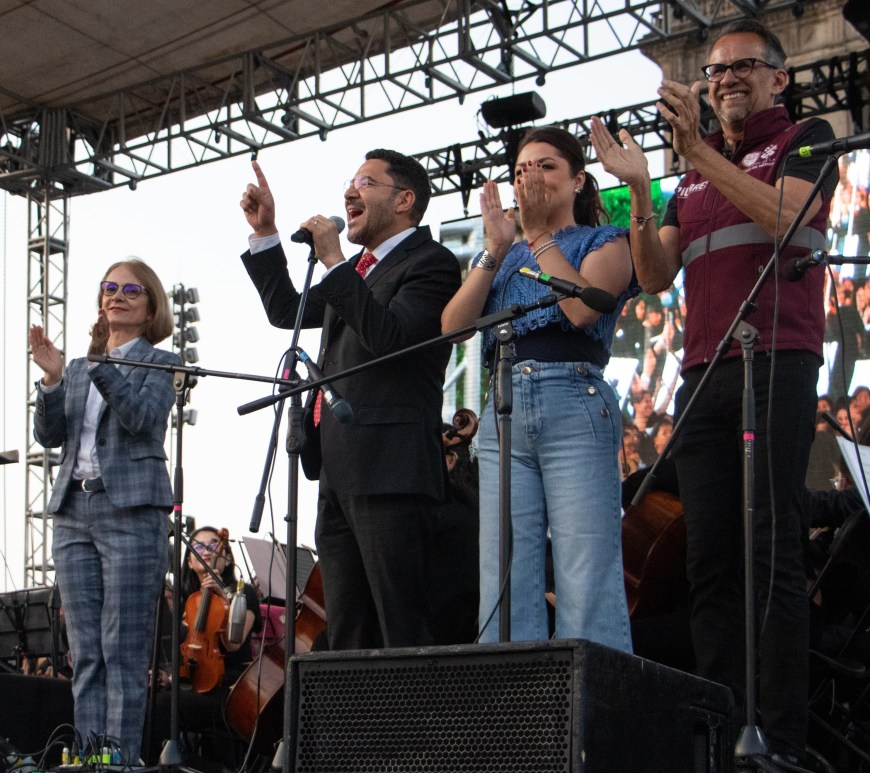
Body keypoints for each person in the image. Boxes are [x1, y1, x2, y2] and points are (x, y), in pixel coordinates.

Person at [590, 19, 837, 764]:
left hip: (776, 362)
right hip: (701, 375)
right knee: (710, 564)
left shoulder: (805, 137)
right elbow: (654, 274)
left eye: (741, 67)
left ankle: (779, 742)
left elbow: (789, 217)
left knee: (771, 553)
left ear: (778, 78)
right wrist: (642, 189)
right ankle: (724, 736)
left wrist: (696, 151)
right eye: (715, 70)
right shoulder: (692, 178)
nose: (724, 78)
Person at [239, 150, 462, 650]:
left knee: (400, 627)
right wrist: (266, 233)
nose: (348, 192)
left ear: (404, 200)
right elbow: (287, 311)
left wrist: (336, 262)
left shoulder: (431, 264)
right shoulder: (358, 271)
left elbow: (390, 338)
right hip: (338, 469)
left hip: (392, 471)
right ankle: (352, 708)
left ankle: (410, 707)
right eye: (350, 181)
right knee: (346, 633)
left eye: (365, 182)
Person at [441, 125, 637, 650]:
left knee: (583, 564)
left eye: (546, 166)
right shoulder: (503, 256)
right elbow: (454, 328)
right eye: (521, 170)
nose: (531, 177)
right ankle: (511, 695)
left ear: (578, 181)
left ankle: (590, 696)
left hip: (573, 399)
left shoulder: (604, 240)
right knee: (504, 571)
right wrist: (493, 249)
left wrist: (537, 236)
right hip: (502, 408)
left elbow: (580, 309)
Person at [29, 259, 179, 764]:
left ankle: (119, 760)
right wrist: (52, 380)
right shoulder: (76, 368)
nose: (117, 295)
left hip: (131, 512)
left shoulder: (160, 362)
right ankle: (90, 757)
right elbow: (50, 435)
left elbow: (142, 419)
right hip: (74, 510)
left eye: (131, 290)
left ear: (151, 307)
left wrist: (101, 365)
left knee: (122, 650)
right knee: (87, 652)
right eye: (110, 288)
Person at [148, 527, 261, 772]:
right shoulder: (187, 600)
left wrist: (226, 602)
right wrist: (167, 674)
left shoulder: (243, 593)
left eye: (213, 544)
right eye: (199, 547)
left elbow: (234, 643)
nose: (207, 550)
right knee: (150, 700)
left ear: (227, 558)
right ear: (190, 561)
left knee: (163, 706)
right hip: (191, 683)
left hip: (229, 688)